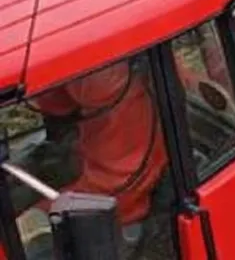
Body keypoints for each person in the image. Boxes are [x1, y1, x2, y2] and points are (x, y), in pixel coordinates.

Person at [15, 61, 166, 257]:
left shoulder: (111, 85)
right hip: (89, 158)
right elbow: (58, 104)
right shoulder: (71, 62)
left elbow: (118, 191)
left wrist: (36, 220)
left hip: (117, 213)